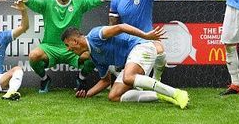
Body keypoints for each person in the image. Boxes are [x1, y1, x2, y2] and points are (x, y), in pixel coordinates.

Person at [20, 0, 109, 93]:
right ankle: (45, 79)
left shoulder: (79, 3)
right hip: (50, 47)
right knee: (34, 56)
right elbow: (27, 0)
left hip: (73, 49)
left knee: (93, 56)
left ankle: (81, 78)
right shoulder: (47, 3)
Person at [60, 25, 189, 109]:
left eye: (67, 45)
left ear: (75, 41)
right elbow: (105, 81)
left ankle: (176, 93)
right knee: (114, 96)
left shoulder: (95, 34)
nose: (68, 49)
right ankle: (160, 95)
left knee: (128, 77)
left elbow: (121, 27)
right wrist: (87, 94)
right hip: (131, 61)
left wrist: (146, 36)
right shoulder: (94, 57)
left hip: (140, 46)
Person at [109, 0, 167, 80]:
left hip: (147, 38)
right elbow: (112, 26)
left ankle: (157, 79)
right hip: (126, 40)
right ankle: (118, 72)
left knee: (161, 54)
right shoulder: (116, 0)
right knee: (114, 64)